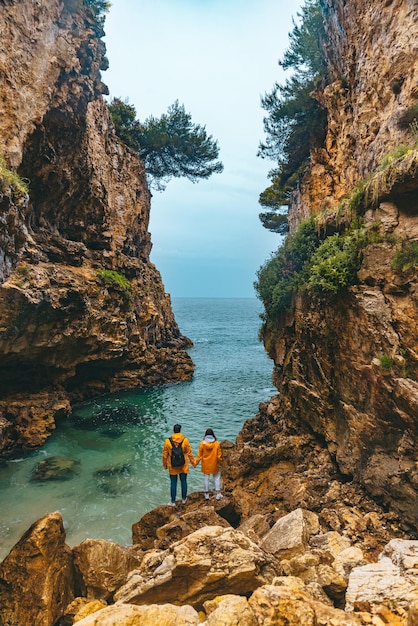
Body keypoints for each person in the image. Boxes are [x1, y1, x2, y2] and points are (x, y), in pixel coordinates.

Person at [162, 424, 195, 506]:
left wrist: (165, 465)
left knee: (173, 483)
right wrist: (193, 462)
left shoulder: (167, 441)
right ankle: (184, 499)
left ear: (173, 431)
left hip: (172, 466)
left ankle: (173, 501)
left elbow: (164, 455)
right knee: (183, 481)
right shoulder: (185, 440)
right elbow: (189, 453)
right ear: (180, 430)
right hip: (183, 465)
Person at [194, 428, 223, 500]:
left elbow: (199, 455)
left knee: (206, 478)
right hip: (214, 464)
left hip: (205, 464)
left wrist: (195, 463)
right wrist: (221, 463)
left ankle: (206, 494)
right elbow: (219, 456)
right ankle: (218, 494)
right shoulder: (216, 444)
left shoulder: (202, 443)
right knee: (217, 478)